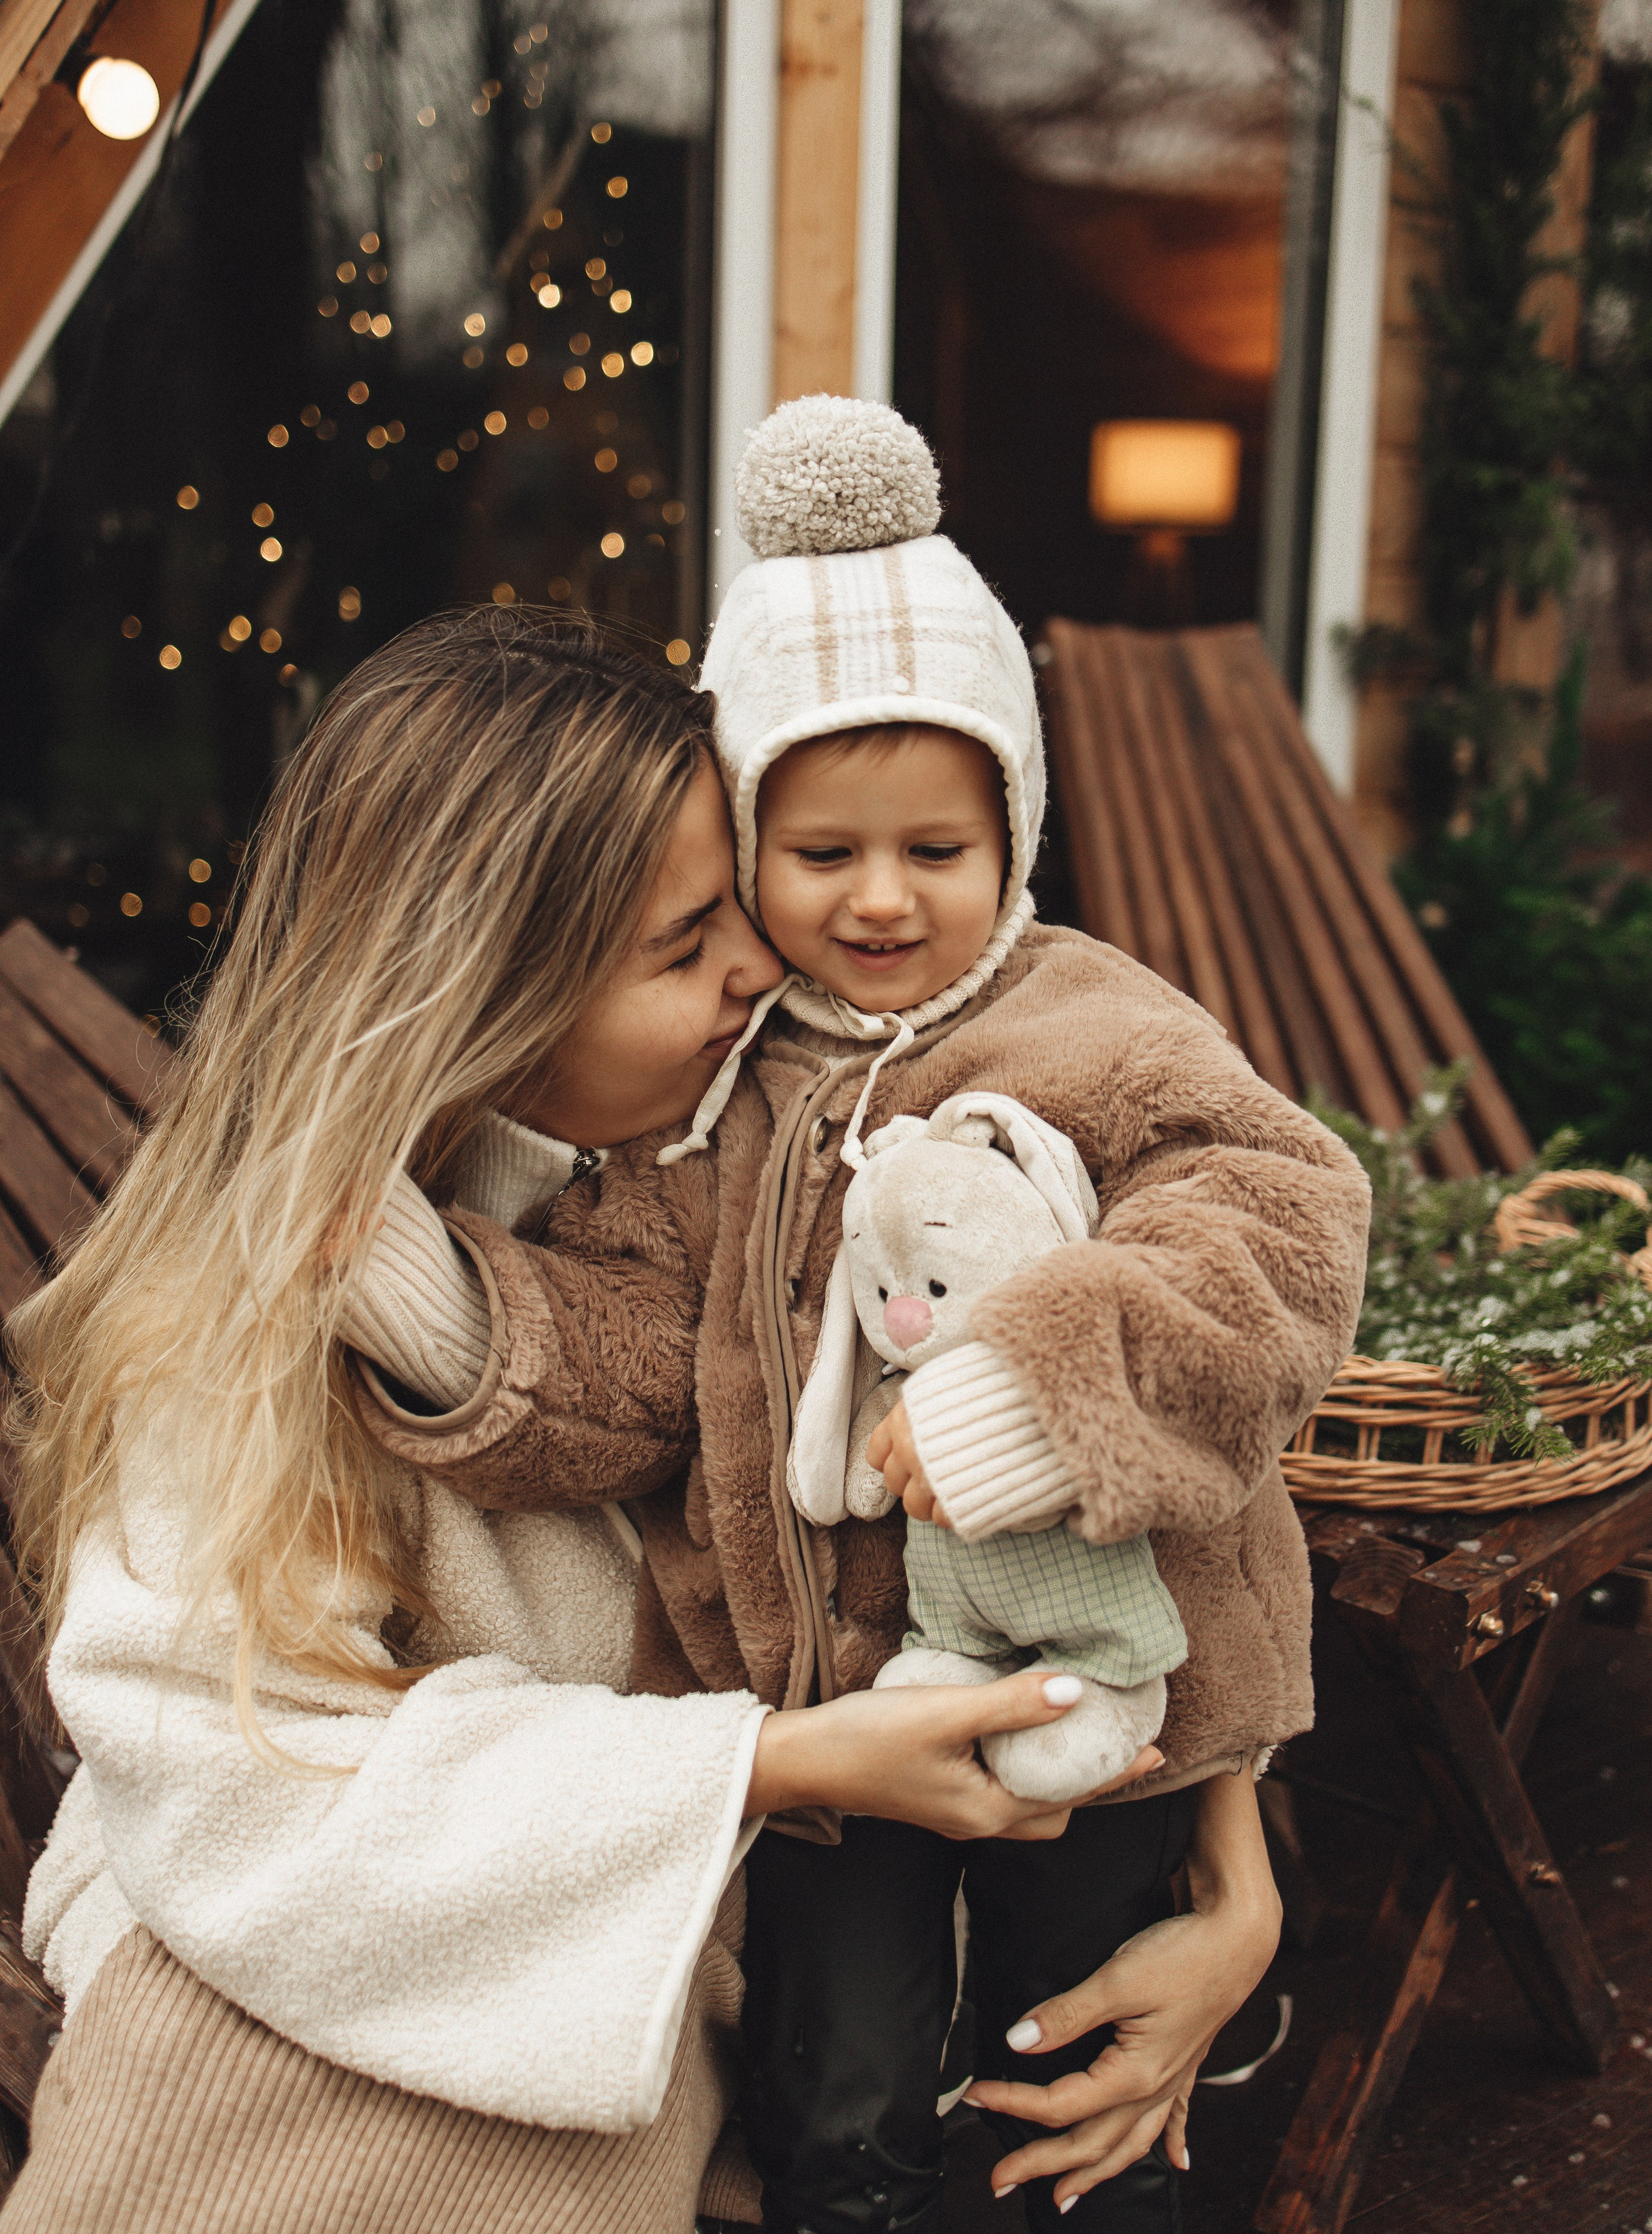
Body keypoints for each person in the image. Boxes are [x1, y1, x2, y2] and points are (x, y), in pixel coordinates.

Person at [342, 401, 1371, 2233]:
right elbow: (643, 1360)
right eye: (820, 855)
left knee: (1074, 2047)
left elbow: (1273, 1224)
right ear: (747, 847)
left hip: (1102, 1681)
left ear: (1017, 829)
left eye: (936, 847)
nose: (882, 899)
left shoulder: (1096, 1028)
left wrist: (1038, 1398)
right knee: (840, 2100)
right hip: (832, 1722)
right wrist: (450, 1318)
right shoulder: (720, 1098)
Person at [0, 610, 1114, 2234]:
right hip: (282, 2044)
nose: (756, 966)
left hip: (690, 1988)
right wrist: (770, 1765)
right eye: (682, 947)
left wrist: (1228, 1868)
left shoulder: (811, 1181)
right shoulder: (269, 1319)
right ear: (484, 998)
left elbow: (1106, 1496)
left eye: (740, 904)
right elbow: (226, 1777)